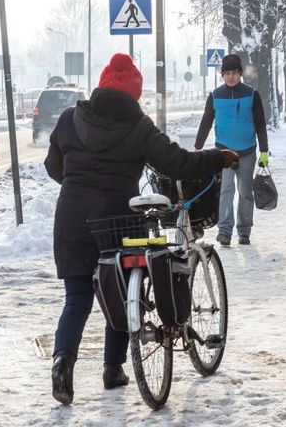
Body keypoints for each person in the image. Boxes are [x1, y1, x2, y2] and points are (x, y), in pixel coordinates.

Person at [44, 53, 239, 405]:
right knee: (117, 293)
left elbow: (53, 166)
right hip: (118, 217)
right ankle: (113, 368)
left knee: (77, 299)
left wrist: (77, 182)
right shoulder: (138, 126)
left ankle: (62, 360)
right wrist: (216, 157)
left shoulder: (71, 119)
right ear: (134, 93)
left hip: (71, 217)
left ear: (101, 85)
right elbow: (177, 162)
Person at [195, 53, 270, 246]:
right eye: (227, 73)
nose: (231, 77)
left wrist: (264, 151)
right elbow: (206, 122)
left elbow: (260, 124)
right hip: (224, 153)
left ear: (240, 74)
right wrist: (198, 146)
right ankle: (225, 231)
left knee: (245, 191)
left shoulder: (251, 94)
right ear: (222, 74)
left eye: (234, 73)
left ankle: (244, 231)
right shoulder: (215, 96)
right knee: (226, 190)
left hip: (247, 151)